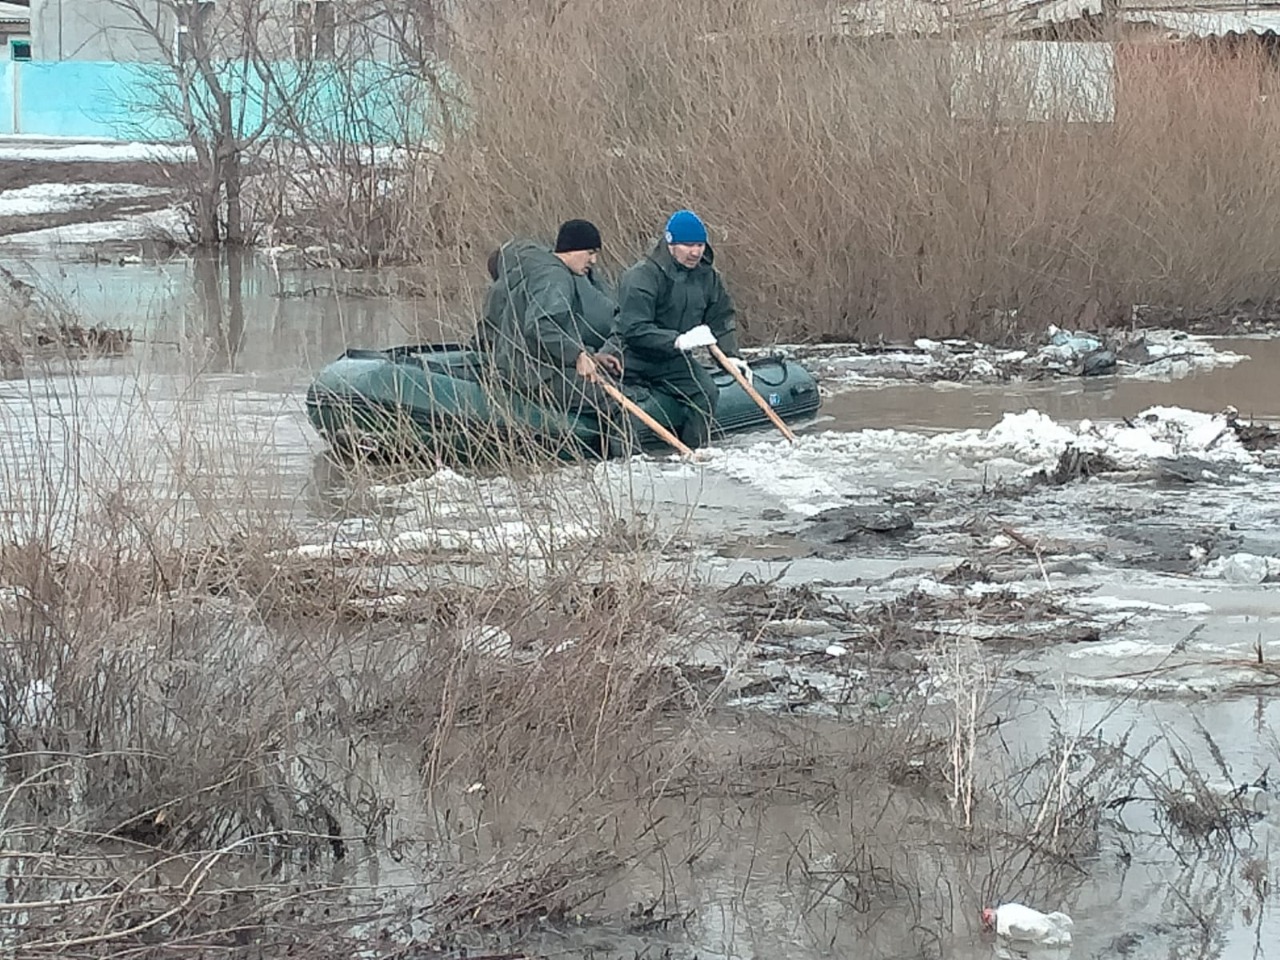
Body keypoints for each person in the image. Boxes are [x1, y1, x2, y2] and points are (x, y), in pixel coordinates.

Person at [490, 219, 636, 456]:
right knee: (617, 403)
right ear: (571, 249)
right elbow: (540, 325)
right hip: (533, 374)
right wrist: (577, 355)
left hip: (524, 364)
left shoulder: (542, 269)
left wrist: (591, 356)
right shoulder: (554, 278)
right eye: (589, 252)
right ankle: (626, 469)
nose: (593, 261)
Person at [614, 209, 751, 449]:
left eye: (699, 244)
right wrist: (676, 340)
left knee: (706, 391)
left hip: (673, 360)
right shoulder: (642, 276)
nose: (695, 252)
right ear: (670, 243)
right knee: (623, 407)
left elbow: (721, 319)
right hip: (631, 356)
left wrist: (731, 357)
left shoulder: (707, 277)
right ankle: (626, 464)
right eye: (688, 245)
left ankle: (693, 454)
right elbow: (633, 329)